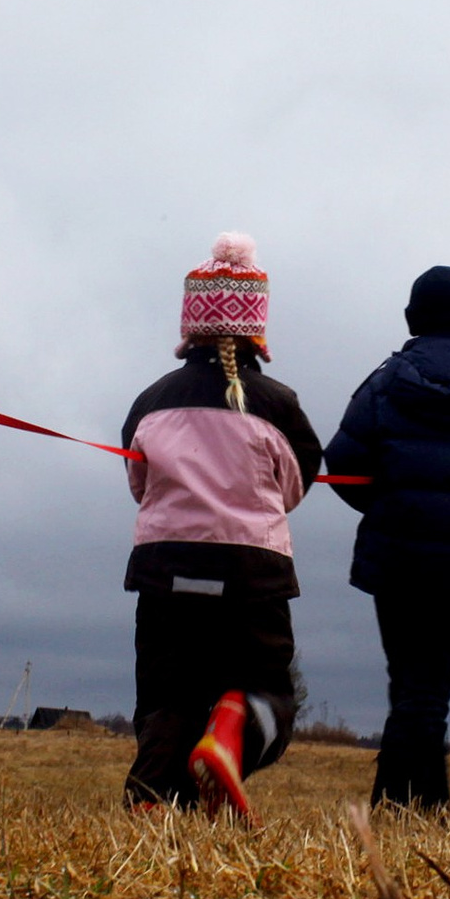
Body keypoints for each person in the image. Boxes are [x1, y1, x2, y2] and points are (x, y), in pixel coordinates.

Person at [118, 235, 325, 822]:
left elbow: (139, 485)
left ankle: (153, 798)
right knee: (268, 693)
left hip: (165, 571)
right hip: (252, 576)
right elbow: (295, 486)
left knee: (167, 696)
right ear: (256, 329)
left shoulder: (151, 400)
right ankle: (233, 731)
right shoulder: (277, 404)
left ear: (191, 326)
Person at [325, 267, 450, 809]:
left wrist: (389, 506)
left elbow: (341, 461)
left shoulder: (385, 382)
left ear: (413, 318)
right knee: (429, 688)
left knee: (410, 685)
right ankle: (415, 806)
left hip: (398, 557)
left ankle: (409, 805)